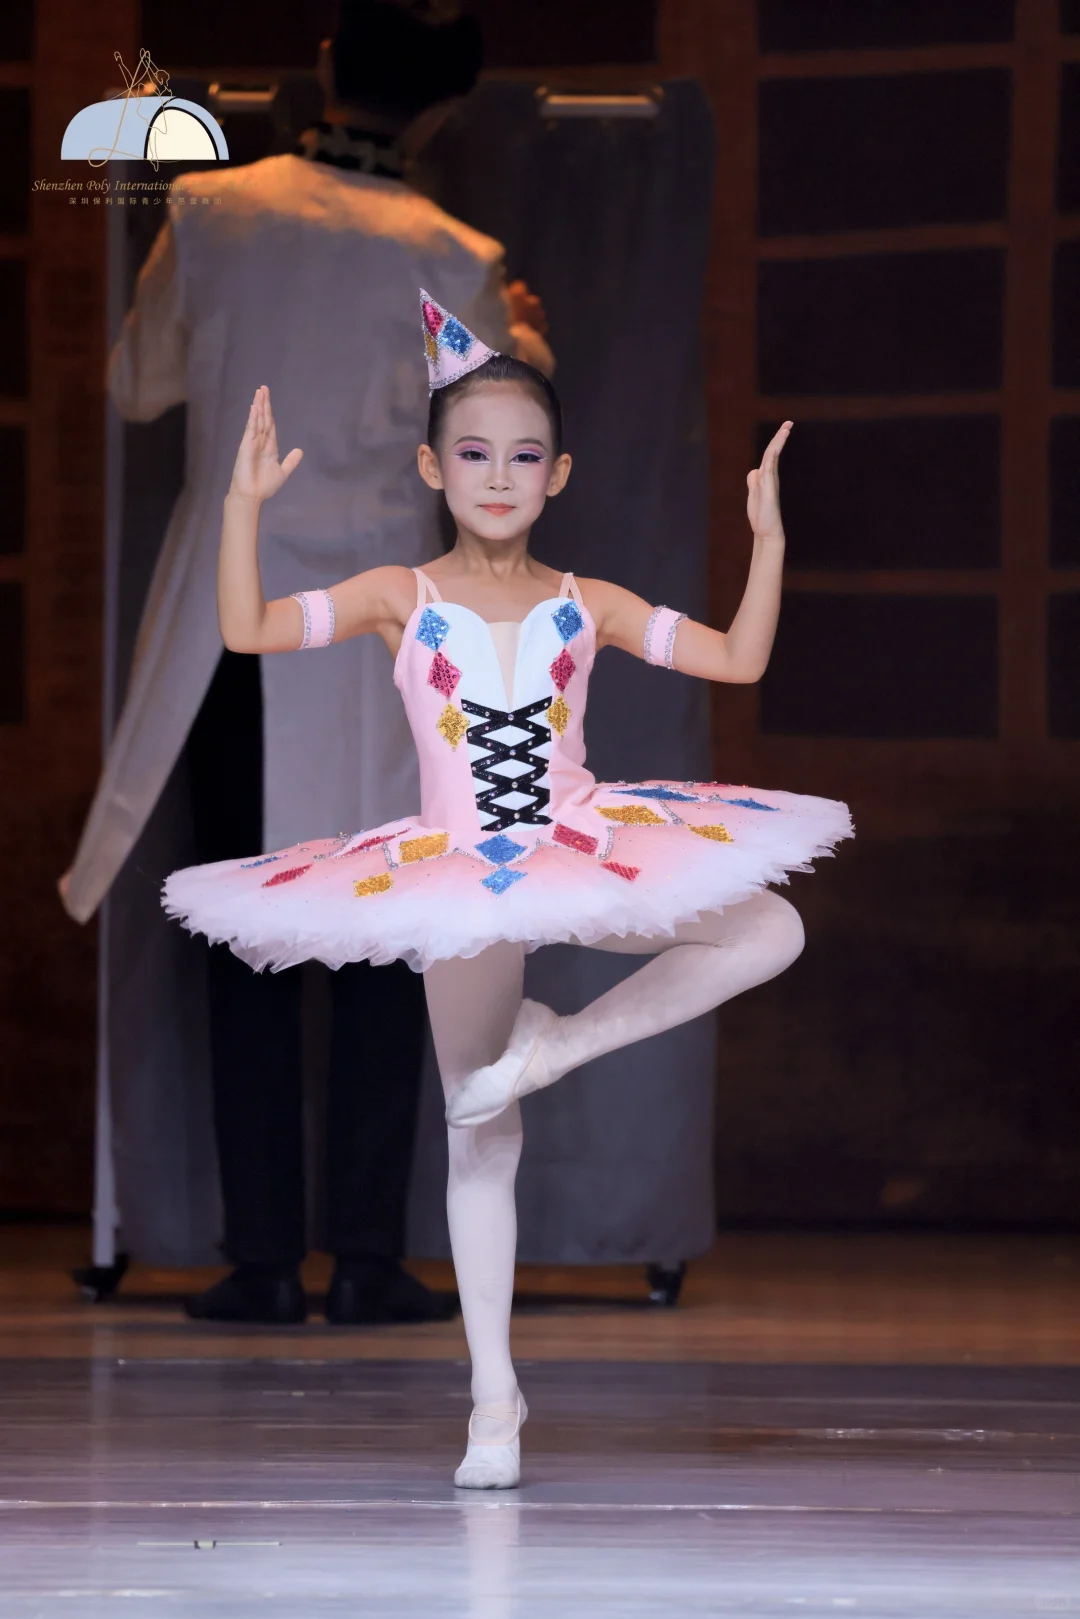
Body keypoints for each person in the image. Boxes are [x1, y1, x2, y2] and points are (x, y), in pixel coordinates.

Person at [163, 294, 853, 1483]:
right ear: (432, 467)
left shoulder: (590, 601)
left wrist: (770, 538)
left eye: (524, 456)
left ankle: (557, 1045)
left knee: (771, 925)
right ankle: (495, 1400)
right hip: (458, 871)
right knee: (478, 1126)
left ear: (559, 473)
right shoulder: (400, 592)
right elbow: (245, 627)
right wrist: (240, 506)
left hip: (585, 840)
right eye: (474, 453)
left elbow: (739, 659)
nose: (498, 476)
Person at [59, 0, 552, 1326]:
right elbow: (493, 443)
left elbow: (138, 385)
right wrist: (529, 334)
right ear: (445, 111)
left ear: (325, 63)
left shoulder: (214, 211)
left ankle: (265, 1256)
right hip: (390, 625)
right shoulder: (457, 253)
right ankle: (371, 1255)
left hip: (243, 612)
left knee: (249, 931)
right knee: (394, 933)